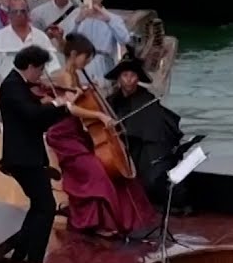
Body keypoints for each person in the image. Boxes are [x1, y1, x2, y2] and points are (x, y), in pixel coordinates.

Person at [0, 45, 97, 263]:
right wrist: (58, 104)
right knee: (46, 206)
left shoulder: (19, 85)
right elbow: (33, 115)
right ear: (31, 66)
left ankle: (21, 252)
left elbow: (40, 122)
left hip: (28, 155)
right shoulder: (12, 86)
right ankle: (35, 261)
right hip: (22, 157)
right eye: (40, 69)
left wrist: (62, 107)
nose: (42, 74)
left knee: (38, 205)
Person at [46, 33, 158, 238]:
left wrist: (85, 92)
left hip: (77, 131)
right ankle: (96, 223)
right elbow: (70, 108)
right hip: (63, 134)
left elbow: (76, 101)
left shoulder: (75, 75)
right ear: (74, 55)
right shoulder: (63, 76)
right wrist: (98, 114)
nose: (88, 62)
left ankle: (122, 218)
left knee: (109, 172)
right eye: (86, 57)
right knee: (96, 174)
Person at [105, 53, 189, 211]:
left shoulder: (146, 99)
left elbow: (150, 128)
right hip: (121, 147)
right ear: (119, 78)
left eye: (133, 75)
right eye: (125, 75)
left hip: (145, 147)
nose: (129, 80)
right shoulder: (112, 100)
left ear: (138, 78)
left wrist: (126, 131)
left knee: (152, 177)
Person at [61, 0, 131, 85]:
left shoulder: (113, 18)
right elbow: (68, 39)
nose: (91, 0)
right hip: (81, 63)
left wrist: (108, 20)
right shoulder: (76, 16)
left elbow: (125, 39)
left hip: (103, 63)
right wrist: (78, 21)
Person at [0, 1, 60, 79]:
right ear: (9, 14)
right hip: (7, 83)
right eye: (15, 12)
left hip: (38, 83)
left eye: (23, 11)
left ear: (28, 14)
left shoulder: (41, 37)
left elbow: (53, 67)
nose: (19, 14)